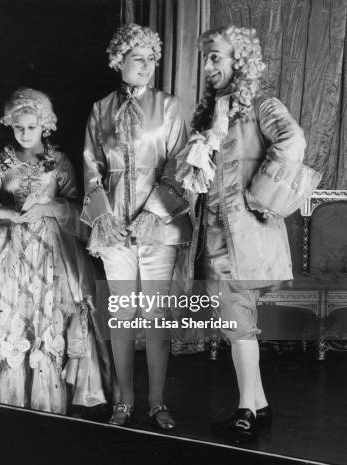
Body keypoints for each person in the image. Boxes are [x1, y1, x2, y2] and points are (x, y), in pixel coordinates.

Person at [176, 25, 321, 444]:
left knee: (238, 320)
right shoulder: (210, 114)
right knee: (240, 320)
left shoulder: (261, 105)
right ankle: (258, 405)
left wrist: (261, 194)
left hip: (245, 237)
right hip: (216, 237)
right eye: (206, 58)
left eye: (216, 57)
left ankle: (246, 410)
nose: (207, 66)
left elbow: (293, 140)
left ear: (239, 59)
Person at [0, 88, 113, 414]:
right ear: (10, 125)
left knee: (57, 308)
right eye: (19, 127)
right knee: (1, 308)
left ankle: (50, 396)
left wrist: (48, 208)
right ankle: (8, 397)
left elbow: (76, 207)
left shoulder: (59, 163)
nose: (25, 134)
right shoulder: (3, 161)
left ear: (45, 125)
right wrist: (9, 213)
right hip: (12, 244)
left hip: (51, 246)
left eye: (31, 127)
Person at [81, 24, 191, 428]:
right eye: (138, 58)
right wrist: (105, 218)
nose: (147, 66)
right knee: (123, 315)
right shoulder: (100, 109)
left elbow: (180, 165)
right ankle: (124, 400)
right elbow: (91, 169)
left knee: (156, 316)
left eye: (151, 59)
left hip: (157, 226)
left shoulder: (169, 106)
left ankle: (158, 401)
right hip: (113, 229)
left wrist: (152, 214)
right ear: (119, 61)